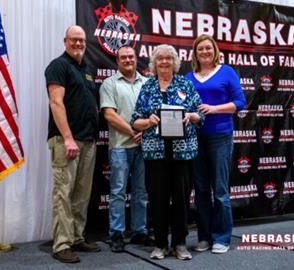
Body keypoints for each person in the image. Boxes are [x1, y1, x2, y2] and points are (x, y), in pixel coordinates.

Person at [131, 44, 204, 260]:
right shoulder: (148, 87)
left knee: (181, 199)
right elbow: (135, 121)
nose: (164, 62)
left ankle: (180, 243)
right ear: (154, 63)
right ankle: (161, 244)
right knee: (158, 198)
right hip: (156, 153)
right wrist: (148, 121)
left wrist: (191, 116)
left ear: (175, 62)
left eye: (168, 58)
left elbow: (201, 114)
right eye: (160, 59)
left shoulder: (185, 84)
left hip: (183, 153)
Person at [44, 25, 101, 264]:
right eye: (74, 40)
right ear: (65, 40)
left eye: (81, 41)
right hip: (66, 140)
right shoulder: (58, 66)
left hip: (88, 141)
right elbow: (56, 103)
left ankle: (77, 237)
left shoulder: (86, 69)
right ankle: (62, 244)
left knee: (81, 195)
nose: (78, 44)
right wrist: (67, 137)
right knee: (63, 194)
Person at [186, 34, 246, 254]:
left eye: (208, 49)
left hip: (220, 135)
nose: (205, 52)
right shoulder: (188, 77)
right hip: (196, 138)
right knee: (201, 189)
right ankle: (204, 237)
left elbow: (240, 102)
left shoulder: (227, 72)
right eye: (200, 49)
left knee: (220, 189)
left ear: (215, 51)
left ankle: (221, 237)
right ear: (195, 53)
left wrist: (214, 109)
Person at [99, 45, 153, 252]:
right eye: (124, 57)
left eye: (131, 56)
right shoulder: (109, 84)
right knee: (118, 191)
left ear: (136, 58)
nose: (128, 60)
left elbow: (153, 112)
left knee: (141, 191)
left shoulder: (147, 83)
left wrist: (145, 132)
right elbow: (109, 115)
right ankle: (117, 233)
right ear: (117, 61)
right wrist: (133, 131)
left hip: (144, 146)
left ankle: (140, 231)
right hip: (121, 146)